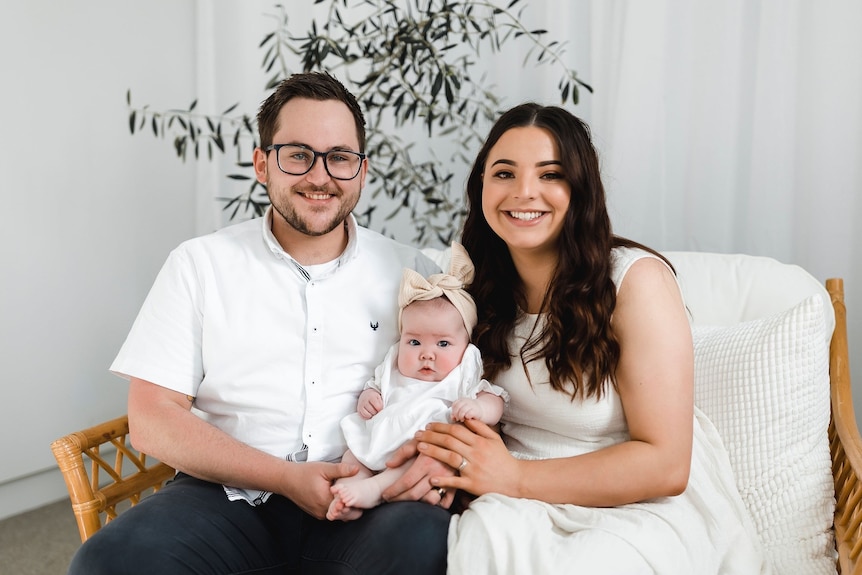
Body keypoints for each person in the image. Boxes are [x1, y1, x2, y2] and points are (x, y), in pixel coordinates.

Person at [67, 71, 453, 575]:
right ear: (261, 164)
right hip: (221, 498)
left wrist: (434, 464)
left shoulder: (415, 275)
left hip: (369, 493)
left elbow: (457, 389)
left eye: (339, 157)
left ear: (361, 171)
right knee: (109, 562)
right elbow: (152, 418)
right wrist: (285, 478)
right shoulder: (199, 264)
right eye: (297, 154)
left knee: (430, 544)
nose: (321, 176)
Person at [408, 103, 771, 574]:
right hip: (512, 502)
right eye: (504, 173)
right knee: (472, 550)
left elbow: (666, 465)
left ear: (580, 190)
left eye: (550, 174)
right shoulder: (474, 289)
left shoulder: (635, 283)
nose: (524, 192)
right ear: (481, 187)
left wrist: (515, 476)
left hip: (636, 502)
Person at [327, 243, 508, 521]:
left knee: (414, 462)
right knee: (353, 457)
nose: (426, 353)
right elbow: (376, 385)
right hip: (379, 436)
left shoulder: (463, 371)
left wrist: (479, 409)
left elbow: (494, 398)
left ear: (466, 346)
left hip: (420, 447)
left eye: (443, 343)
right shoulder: (395, 361)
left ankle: (374, 489)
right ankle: (348, 494)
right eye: (414, 341)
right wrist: (369, 397)